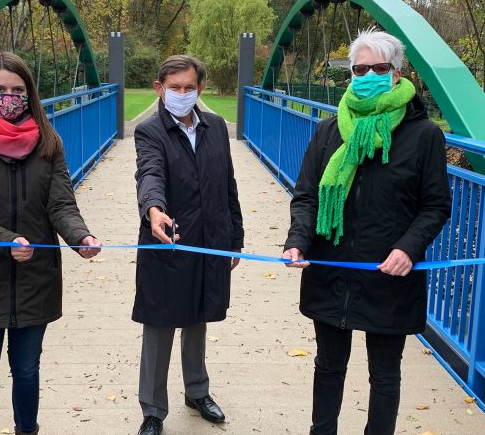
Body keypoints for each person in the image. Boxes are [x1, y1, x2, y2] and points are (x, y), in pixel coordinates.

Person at [282, 29, 452, 435]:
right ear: (351, 74)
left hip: (389, 273)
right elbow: (306, 196)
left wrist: (409, 249)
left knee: (385, 373)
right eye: (361, 69)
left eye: (380, 68)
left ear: (397, 73)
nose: (369, 74)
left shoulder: (424, 135)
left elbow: (436, 205)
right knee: (328, 367)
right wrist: (297, 242)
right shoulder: (329, 131)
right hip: (331, 268)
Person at [0, 52, 102, 435]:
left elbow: (61, 203)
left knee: (28, 370)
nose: (9, 97)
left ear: (29, 93)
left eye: (17, 90)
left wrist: (79, 235)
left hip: (35, 279)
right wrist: (6, 241)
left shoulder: (48, 142)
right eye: (0, 89)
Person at [132, 55, 244, 435]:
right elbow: (150, 173)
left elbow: (228, 184)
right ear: (159, 88)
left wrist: (235, 238)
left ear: (200, 89)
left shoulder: (215, 126)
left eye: (189, 88)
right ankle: (152, 409)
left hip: (211, 239)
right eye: (174, 87)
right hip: (168, 239)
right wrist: (153, 209)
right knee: (160, 322)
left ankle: (197, 391)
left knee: (198, 316)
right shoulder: (150, 132)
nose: (182, 94)